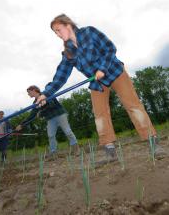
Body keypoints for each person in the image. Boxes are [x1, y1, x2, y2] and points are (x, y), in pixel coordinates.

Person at [36, 14, 165, 162]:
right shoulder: (68, 53)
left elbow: (110, 49)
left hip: (114, 71)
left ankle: (153, 143)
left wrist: (102, 68)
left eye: (58, 30)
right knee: (100, 114)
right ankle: (110, 151)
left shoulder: (89, 32)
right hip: (97, 82)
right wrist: (46, 94)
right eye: (55, 32)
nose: (58, 35)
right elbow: (60, 76)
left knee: (133, 105)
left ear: (68, 25)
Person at [16, 85, 79, 157]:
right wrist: (22, 125)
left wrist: (41, 112)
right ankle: (53, 153)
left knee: (68, 131)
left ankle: (76, 149)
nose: (28, 94)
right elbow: (32, 115)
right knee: (51, 135)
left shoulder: (46, 93)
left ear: (34, 90)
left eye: (29, 92)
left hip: (59, 114)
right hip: (50, 119)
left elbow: (51, 105)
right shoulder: (35, 103)